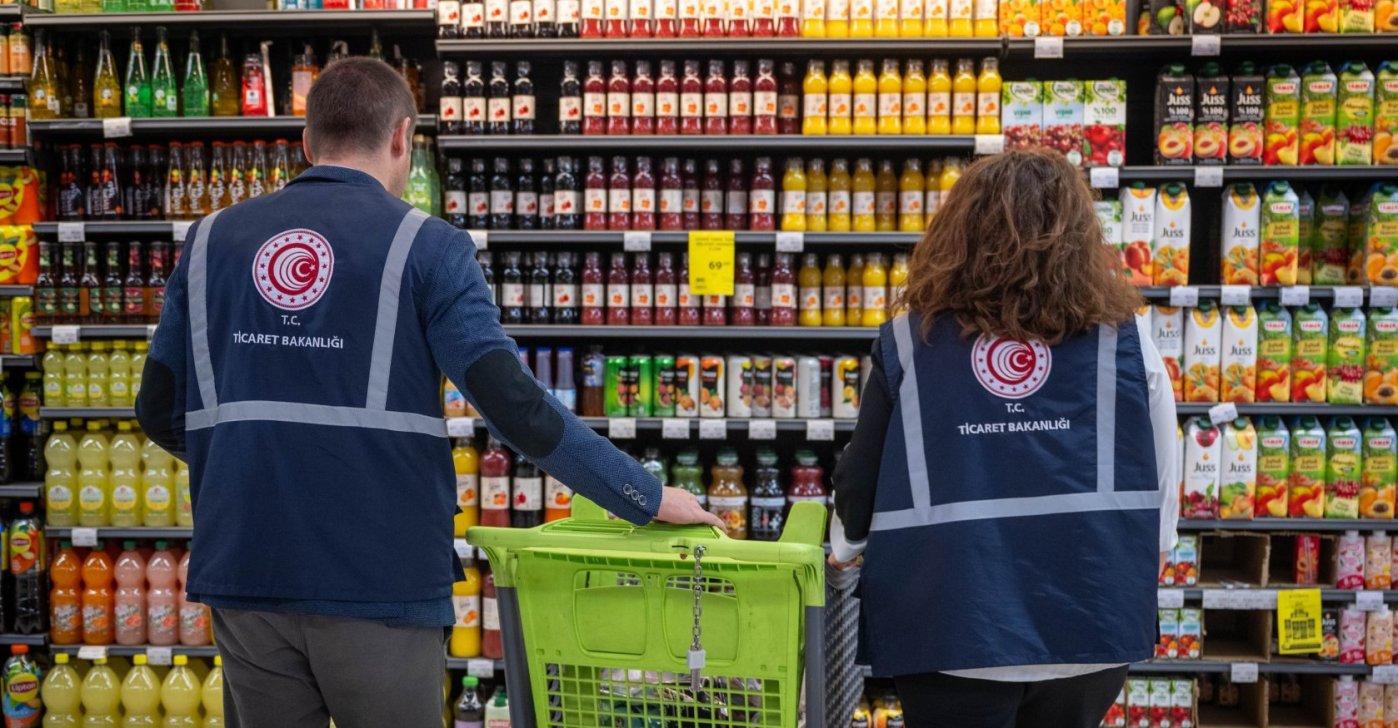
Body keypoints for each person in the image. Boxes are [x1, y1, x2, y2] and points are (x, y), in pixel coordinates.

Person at [134, 57, 720, 728]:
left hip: (245, 567)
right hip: (379, 577)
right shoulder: (430, 247)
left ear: (306, 140)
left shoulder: (209, 243)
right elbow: (515, 406)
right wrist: (641, 494)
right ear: (402, 139)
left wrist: (260, 457)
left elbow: (157, 409)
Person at [829, 149, 1178, 728]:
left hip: (949, 622)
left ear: (957, 235)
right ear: (1080, 239)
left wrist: (843, 552)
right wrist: (1143, 560)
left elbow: (860, 477)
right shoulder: (1128, 342)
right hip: (1088, 620)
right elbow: (1162, 478)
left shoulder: (912, 343)